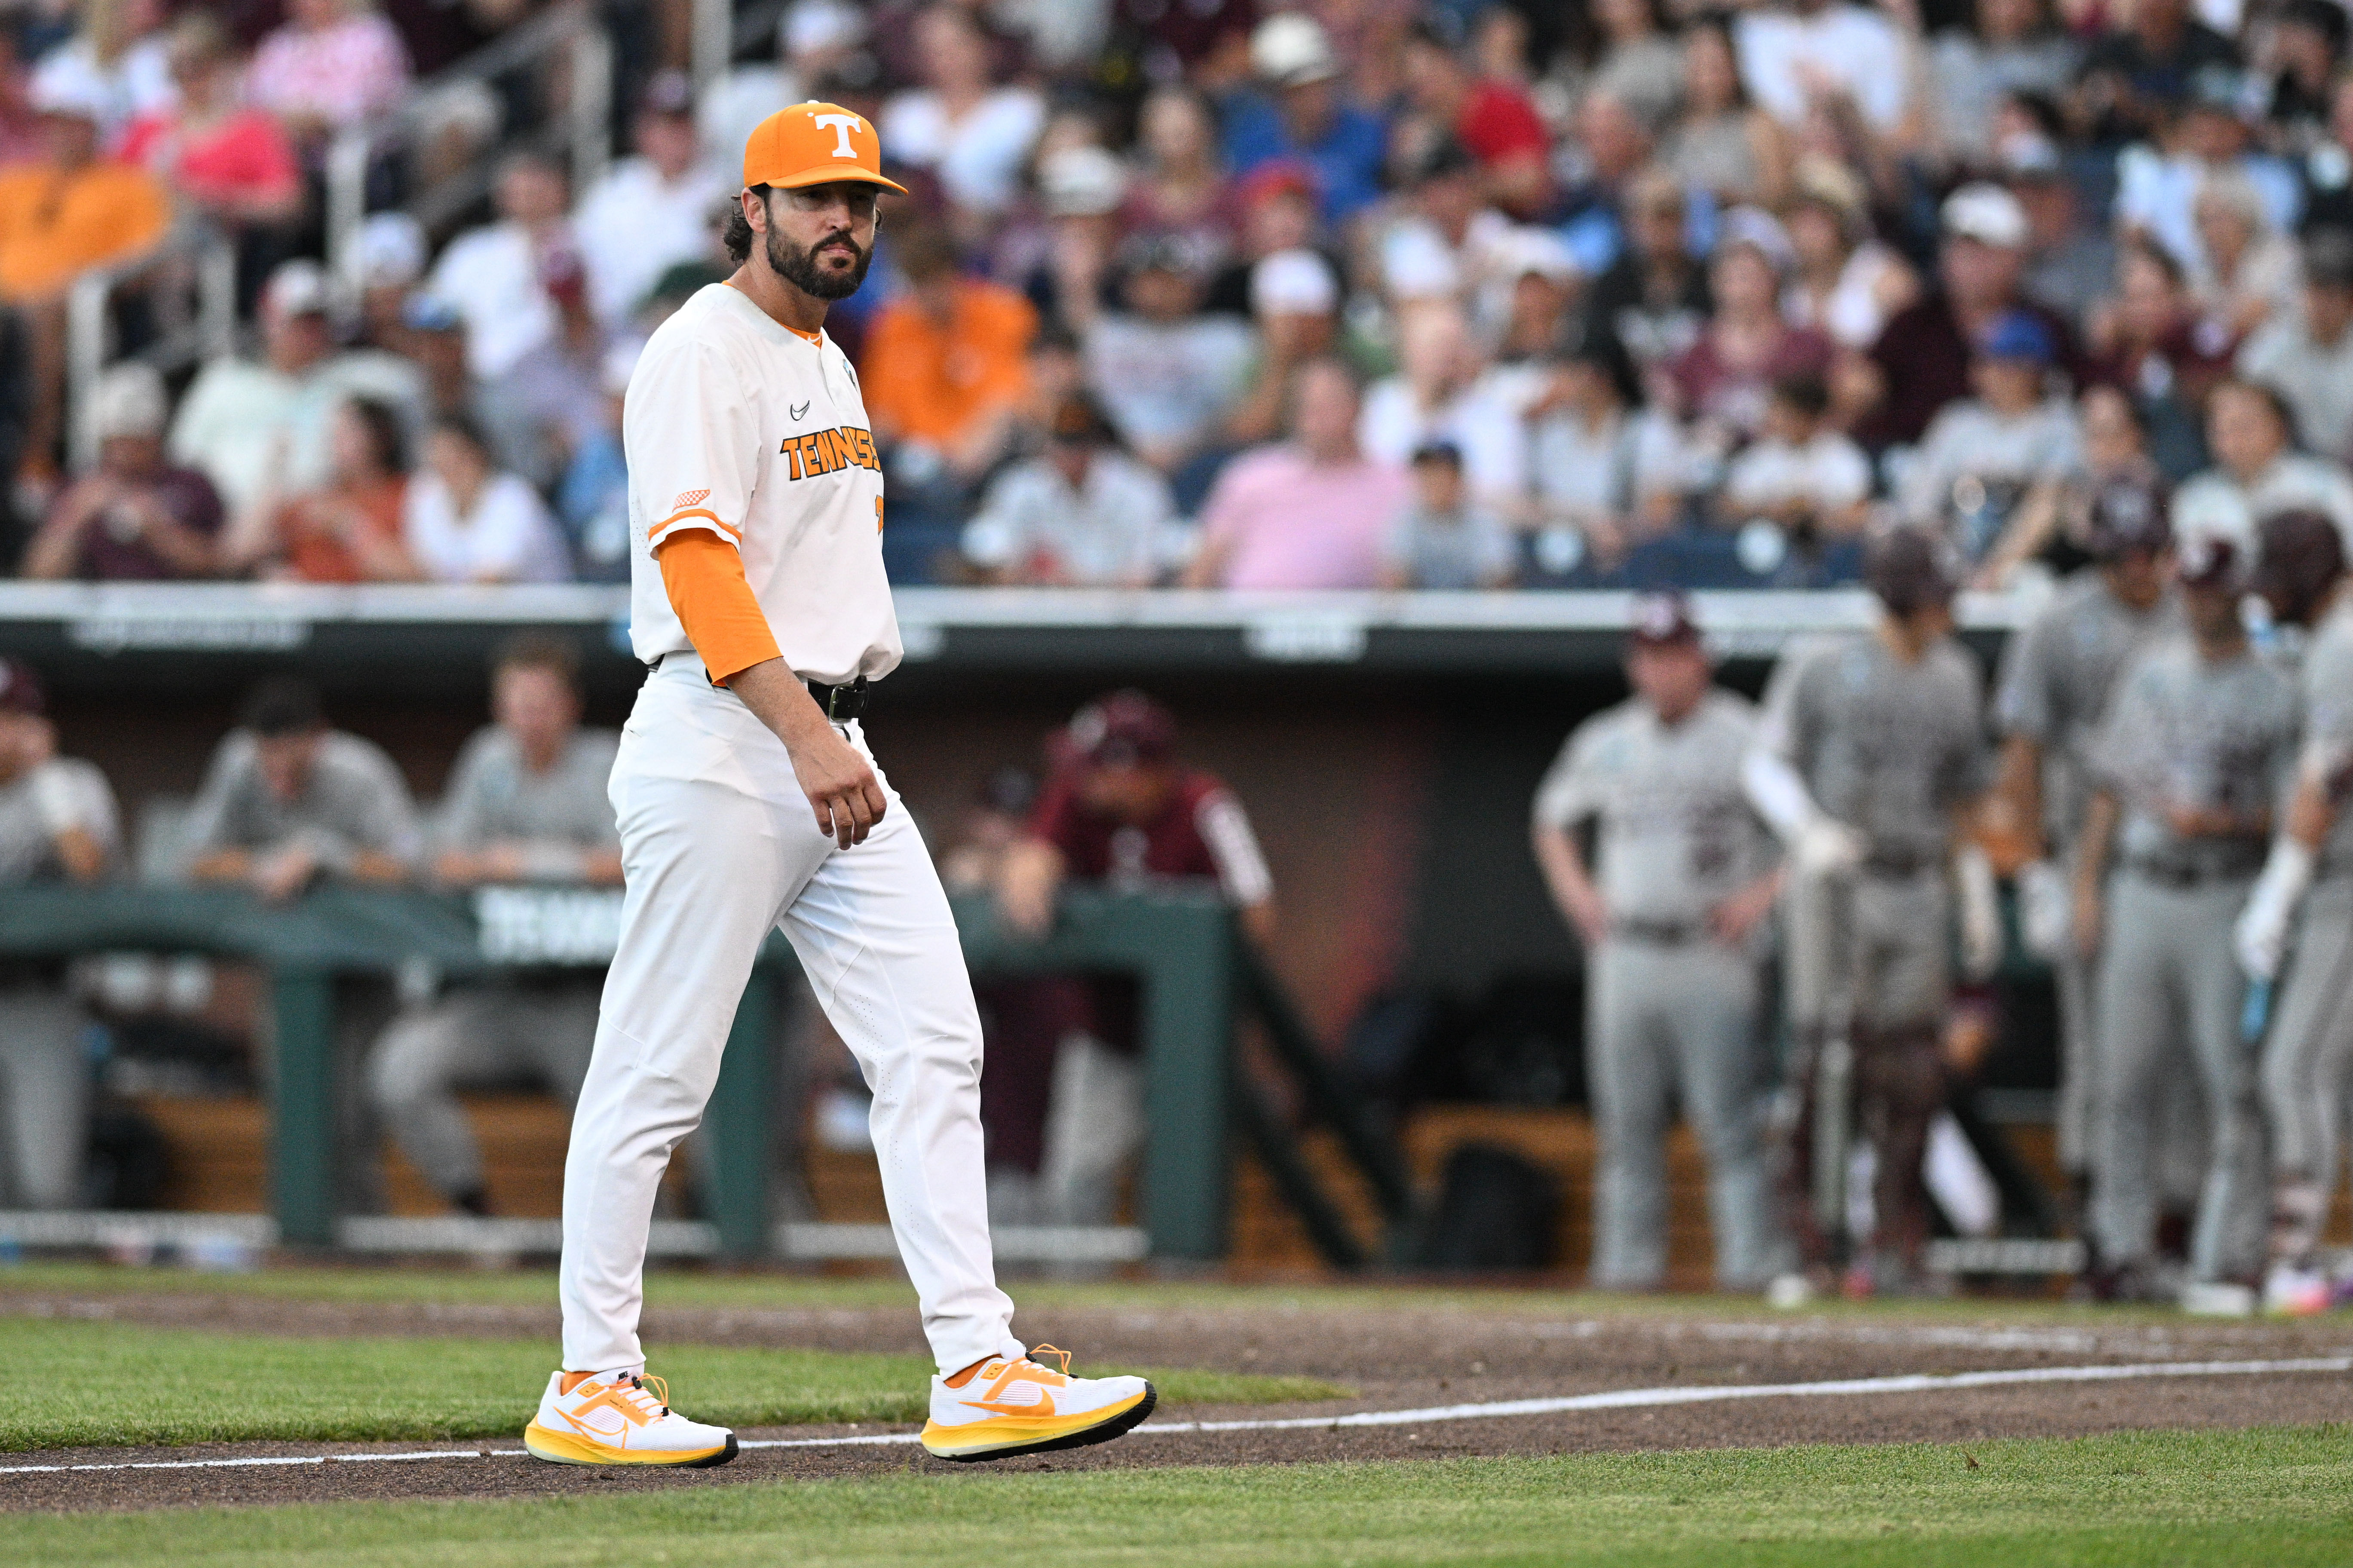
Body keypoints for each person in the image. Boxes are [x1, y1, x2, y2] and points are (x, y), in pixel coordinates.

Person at [536, 101, 1152, 1470]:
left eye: (862, 201)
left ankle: (978, 1365)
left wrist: (828, 737)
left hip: (826, 736)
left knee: (936, 1041)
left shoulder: (825, 356)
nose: (845, 223)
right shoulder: (704, 348)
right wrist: (804, 736)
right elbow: (697, 567)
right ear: (750, 206)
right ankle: (591, 1377)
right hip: (725, 735)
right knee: (657, 1067)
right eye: (816, 198)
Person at [1745, 528, 2003, 1296]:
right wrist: (1805, 830)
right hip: (1838, 874)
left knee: (1912, 1068)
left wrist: (1975, 887)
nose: (1945, 609)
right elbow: (1762, 760)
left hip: (1916, 879)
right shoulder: (1824, 660)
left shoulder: (1954, 675)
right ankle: (1810, 1245)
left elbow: (1963, 796)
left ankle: (1897, 1243)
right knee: (1825, 1057)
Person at [1532, 595, 1786, 1291]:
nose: (1662, 670)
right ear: (1632, 663)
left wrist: (1761, 894)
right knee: (1625, 1126)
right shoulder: (1606, 739)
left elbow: (1804, 827)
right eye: (1648, 656)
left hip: (1710, 949)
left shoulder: (1746, 734)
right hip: (1627, 950)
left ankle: (1749, 1270)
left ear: (1699, 657)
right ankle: (1623, 1276)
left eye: (1675, 654)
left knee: (1728, 1125)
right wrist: (1576, 892)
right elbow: (1551, 819)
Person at [2075, 533, 2298, 1306]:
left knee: (2229, 1082)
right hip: (2142, 885)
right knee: (2123, 1076)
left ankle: (2225, 1254)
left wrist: (2227, 822)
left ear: (2237, 591)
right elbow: (2107, 787)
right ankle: (2119, 1247)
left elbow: (2295, 808)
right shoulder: (2151, 670)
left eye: (2213, 589)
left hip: (2223, 890)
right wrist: (2083, 888)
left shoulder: (2274, 685)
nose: (2201, 601)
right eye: (2192, 589)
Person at [994, 692, 1275, 1228]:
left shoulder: (1204, 804)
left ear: (1136, 771)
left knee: (1189, 1184)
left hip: (1190, 1040)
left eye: (1096, 769)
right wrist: (1028, 869)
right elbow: (1033, 859)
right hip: (1107, 1032)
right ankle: (1076, 1309)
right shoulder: (1071, 800)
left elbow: (1258, 913)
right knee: (1075, 1180)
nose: (1082, 781)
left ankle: (1186, 1299)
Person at [369, 636, 619, 1218]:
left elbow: (631, 862)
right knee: (400, 1069)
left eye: (543, 704)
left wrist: (526, 863)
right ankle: (483, 1220)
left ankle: (655, 1247)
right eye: (518, 704)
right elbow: (447, 862)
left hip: (584, 998)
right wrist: (511, 864)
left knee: (616, 1119)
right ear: (500, 708)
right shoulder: (488, 760)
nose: (530, 719)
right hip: (498, 992)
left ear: (570, 707)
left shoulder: (604, 760)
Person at [1991, 478, 2179, 1238]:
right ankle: (2095, 1220)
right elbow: (2021, 754)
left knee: (2183, 1056)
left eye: (2148, 551)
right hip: (2088, 862)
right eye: (2122, 554)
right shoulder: (2061, 621)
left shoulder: (2191, 609)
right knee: (2097, 1050)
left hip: (2184, 850)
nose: (2136, 567)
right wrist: (2037, 870)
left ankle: (2170, 1218)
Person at [2235, 512, 2353, 1312]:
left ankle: (2300, 1259)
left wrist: (2276, 888)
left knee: (2294, 1067)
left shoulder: (2341, 642)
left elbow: (2326, 780)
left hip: (2345, 883)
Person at [169, 258, 426, 517]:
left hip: (324, 523)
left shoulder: (360, 376)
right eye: (300, 321)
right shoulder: (223, 383)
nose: (310, 333)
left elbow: (416, 386)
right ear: (270, 320)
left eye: (319, 321)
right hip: (229, 526)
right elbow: (182, 465)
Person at [0, 658, 119, 1210]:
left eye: (10, 717)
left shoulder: (71, 786)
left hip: (40, 997)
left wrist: (47, 782)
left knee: (46, 1186)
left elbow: (91, 874)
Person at [184, 676, 422, 902]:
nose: (278, 765)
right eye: (268, 751)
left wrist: (325, 855)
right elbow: (192, 860)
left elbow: (409, 867)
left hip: (351, 919)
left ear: (319, 737)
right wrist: (266, 863)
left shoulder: (362, 771)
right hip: (260, 916)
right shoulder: (238, 760)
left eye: (290, 753)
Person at [1183, 357, 1409, 590]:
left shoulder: (1397, 485)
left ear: (1359, 407)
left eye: (1330, 405)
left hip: (1355, 620)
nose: (1319, 420)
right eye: (1309, 408)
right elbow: (1202, 572)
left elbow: (1403, 579)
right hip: (1249, 618)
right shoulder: (1252, 476)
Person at [1898, 311, 2085, 564]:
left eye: (1997, 365)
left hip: (2033, 568)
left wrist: (1998, 570)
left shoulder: (2059, 424)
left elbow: (2050, 502)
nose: (1984, 373)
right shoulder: (1957, 421)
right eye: (1982, 363)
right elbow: (1921, 500)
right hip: (1951, 558)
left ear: (2030, 370)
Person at [1082, 233, 1253, 489]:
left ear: (1197, 285)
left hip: (1205, 460)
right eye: (1149, 280)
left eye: (1170, 280)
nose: (1159, 290)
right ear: (1129, 287)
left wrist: (1188, 447)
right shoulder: (1105, 334)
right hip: (1117, 462)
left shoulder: (1229, 337)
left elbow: (1248, 415)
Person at [21, 363, 222, 580]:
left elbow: (219, 565)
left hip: (174, 608)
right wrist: (75, 518)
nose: (123, 454)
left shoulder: (192, 486)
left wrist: (156, 528)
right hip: (94, 608)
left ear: (156, 439)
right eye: (115, 443)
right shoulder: (78, 488)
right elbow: (37, 576)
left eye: (135, 443)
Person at [960, 393, 1172, 587]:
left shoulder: (1139, 489)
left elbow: (1146, 575)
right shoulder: (1020, 487)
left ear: (1098, 443)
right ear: (1048, 444)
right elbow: (996, 564)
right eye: (1063, 442)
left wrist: (1082, 583)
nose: (1072, 453)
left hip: (1119, 617)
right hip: (1041, 614)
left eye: (1080, 442)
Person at [573, 71, 729, 330]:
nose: (674, 136)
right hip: (611, 333)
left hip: (687, 329)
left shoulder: (724, 192)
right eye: (663, 126)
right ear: (642, 133)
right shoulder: (614, 186)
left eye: (682, 124)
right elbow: (580, 254)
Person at [222, 396, 416, 582]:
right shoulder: (314, 499)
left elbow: (420, 575)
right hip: (305, 609)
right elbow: (239, 554)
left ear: (379, 437)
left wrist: (347, 526)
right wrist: (274, 474)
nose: (333, 444)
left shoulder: (408, 495)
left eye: (346, 433)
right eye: (332, 434)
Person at [1220, 13, 1388, 229]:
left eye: (1320, 84)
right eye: (1299, 90)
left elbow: (1387, 204)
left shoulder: (1366, 132)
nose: (1314, 97)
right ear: (1276, 95)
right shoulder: (1251, 144)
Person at [879, 4, 1043, 223]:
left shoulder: (1020, 108)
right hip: (914, 235)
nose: (946, 59)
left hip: (996, 232)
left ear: (984, 47)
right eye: (933, 50)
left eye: (955, 47)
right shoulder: (903, 111)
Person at [423, 151, 574, 385]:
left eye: (538, 192)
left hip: (564, 378)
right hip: (481, 382)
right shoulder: (471, 252)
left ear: (562, 192)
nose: (530, 202)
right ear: (502, 198)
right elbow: (436, 313)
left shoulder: (586, 243)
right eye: (521, 194)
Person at [2170, 377, 2353, 553]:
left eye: (2245, 425)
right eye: (2223, 429)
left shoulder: (2326, 487)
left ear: (2280, 426)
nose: (2236, 438)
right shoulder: (2193, 499)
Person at [401, 413, 571, 585]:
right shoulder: (426, 494)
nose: (449, 469)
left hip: (542, 608)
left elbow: (493, 578)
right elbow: (418, 570)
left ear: (479, 455)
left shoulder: (515, 498)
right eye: (439, 460)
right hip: (464, 609)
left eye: (457, 459)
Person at [2235, 228, 2353, 466]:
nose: (2320, 306)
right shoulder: (2267, 353)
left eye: (2331, 295)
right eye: (2313, 292)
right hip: (2290, 470)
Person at [1718, 371, 1872, 541]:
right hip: (1767, 545)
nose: (1774, 418)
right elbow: (1728, 507)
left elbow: (1861, 512)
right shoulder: (1763, 453)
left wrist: (1812, 514)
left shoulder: (1843, 455)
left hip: (1828, 549)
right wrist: (1772, 512)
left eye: (1783, 413)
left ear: (1805, 416)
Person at [245, 0, 409, 148]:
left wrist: (318, 119)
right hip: (285, 144)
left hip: (357, 145)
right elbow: (256, 98)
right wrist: (288, 119)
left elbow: (374, 99)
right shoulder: (279, 44)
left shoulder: (371, 35)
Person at [1379, 439, 1514, 590]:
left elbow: (1500, 579)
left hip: (1473, 612)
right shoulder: (1405, 520)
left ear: (1458, 478)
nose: (1433, 481)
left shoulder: (1484, 522)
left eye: (1440, 473)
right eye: (1427, 473)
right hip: (1419, 613)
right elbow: (1393, 578)